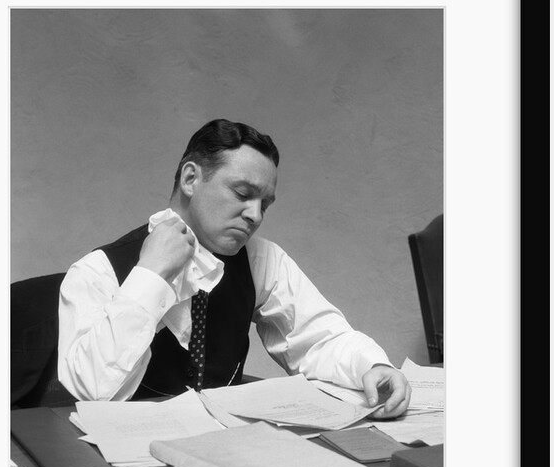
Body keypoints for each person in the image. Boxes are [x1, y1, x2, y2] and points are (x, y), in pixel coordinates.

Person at [58, 118, 411, 416]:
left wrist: (372, 365)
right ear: (190, 179)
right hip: (125, 462)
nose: (255, 215)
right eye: (243, 194)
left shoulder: (260, 259)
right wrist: (150, 277)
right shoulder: (97, 271)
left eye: (265, 204)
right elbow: (91, 395)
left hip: (225, 448)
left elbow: (319, 338)